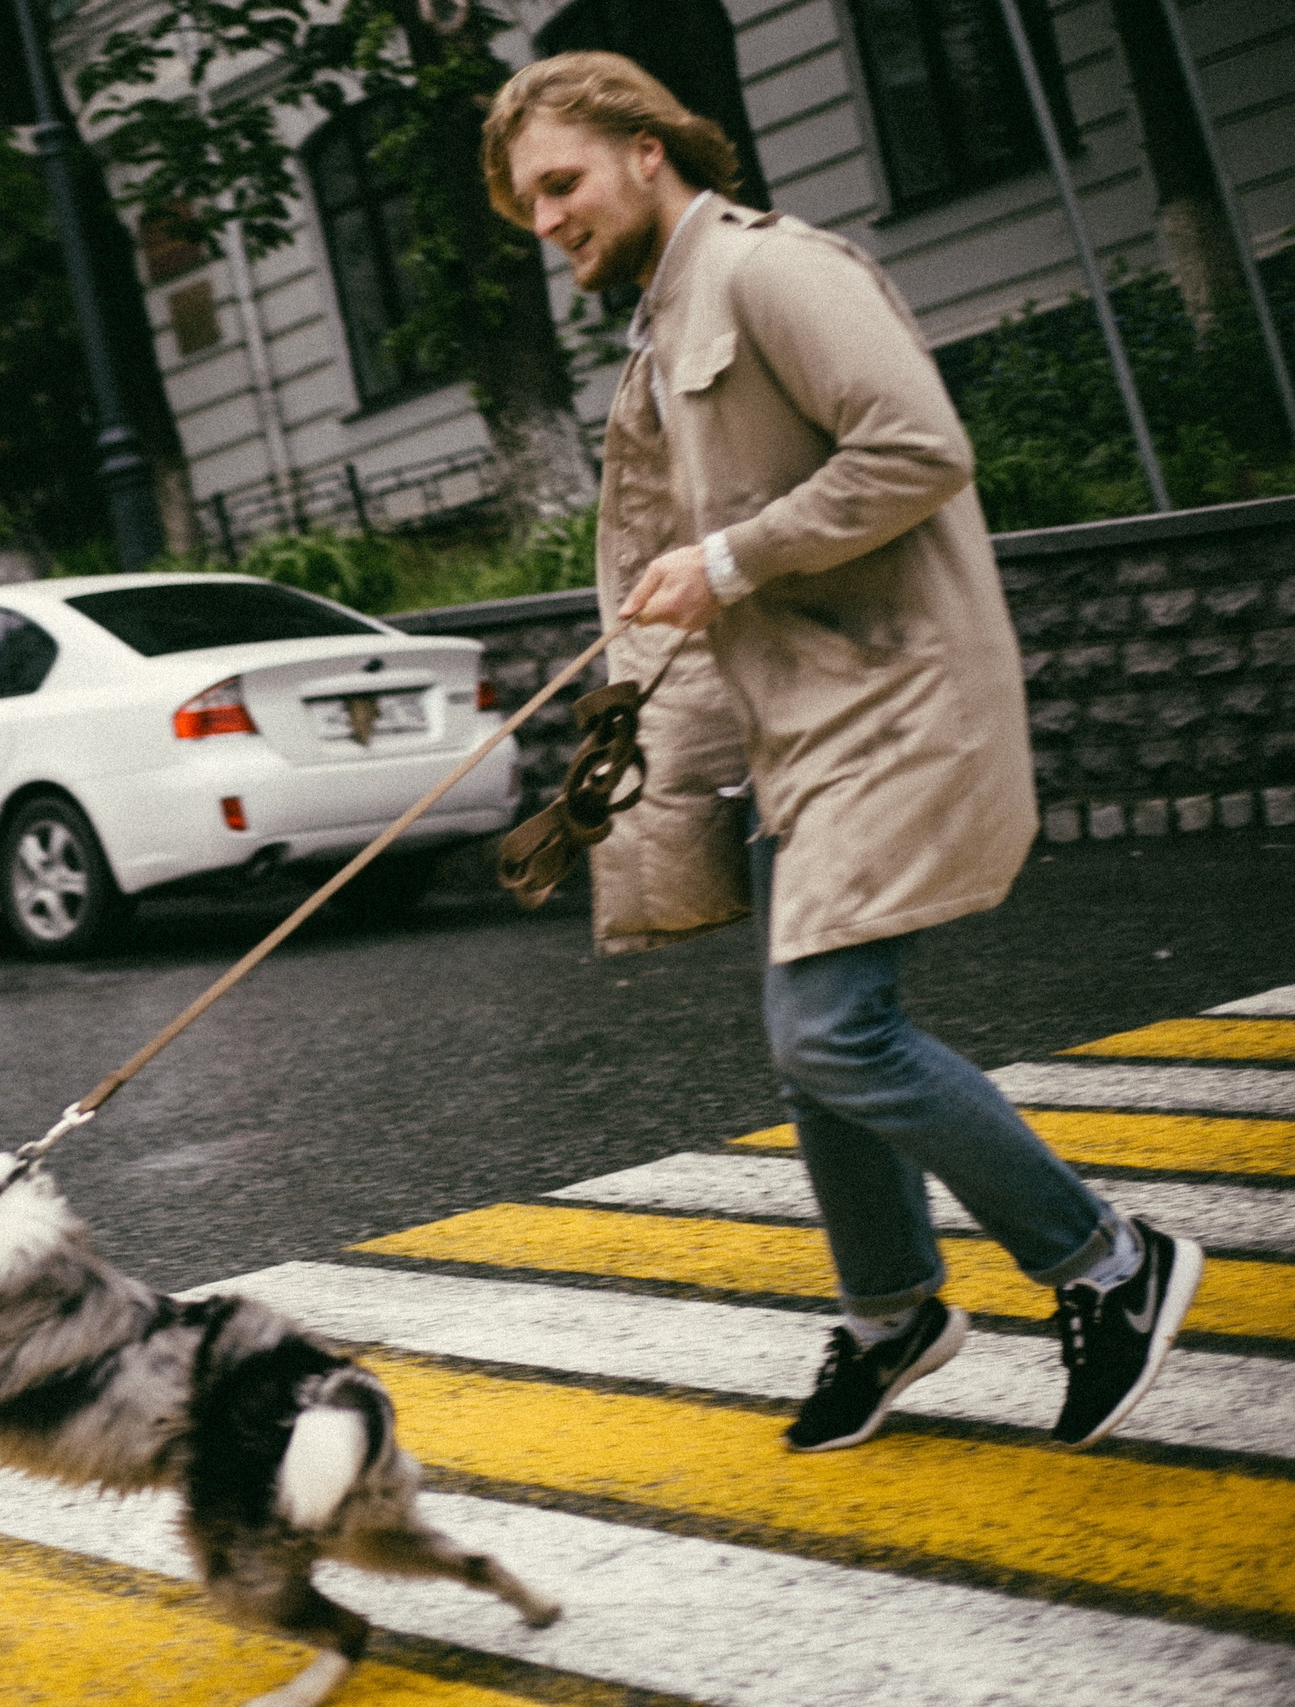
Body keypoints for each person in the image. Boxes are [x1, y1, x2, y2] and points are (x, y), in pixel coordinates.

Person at [480, 53, 1205, 1454]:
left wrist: (732, 559)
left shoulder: (770, 271)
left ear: (647, 149)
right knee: (810, 1049)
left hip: (894, 702)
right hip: (800, 729)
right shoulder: (661, 319)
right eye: (528, 205)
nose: (547, 218)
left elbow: (919, 447)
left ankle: (1108, 1262)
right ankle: (892, 1316)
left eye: (560, 183)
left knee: (832, 1029)